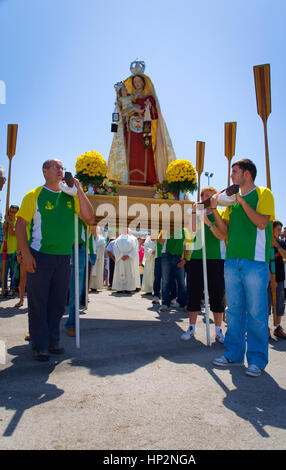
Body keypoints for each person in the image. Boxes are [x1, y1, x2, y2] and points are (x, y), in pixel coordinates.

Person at [15, 159, 94, 361]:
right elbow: (21, 225)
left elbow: (89, 217)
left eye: (62, 167)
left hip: (63, 257)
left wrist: (78, 189)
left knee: (58, 303)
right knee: (38, 302)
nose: (61, 170)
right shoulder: (34, 195)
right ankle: (39, 344)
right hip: (39, 255)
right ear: (45, 171)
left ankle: (52, 339)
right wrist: (25, 254)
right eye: (56, 167)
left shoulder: (70, 196)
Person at [212, 159, 275, 377]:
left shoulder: (264, 193)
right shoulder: (231, 203)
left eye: (234, 172)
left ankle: (257, 360)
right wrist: (214, 213)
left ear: (246, 174)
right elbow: (225, 232)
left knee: (256, 313)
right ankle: (233, 354)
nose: (231, 176)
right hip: (232, 260)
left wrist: (240, 199)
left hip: (255, 261)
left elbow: (262, 223)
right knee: (234, 310)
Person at [107, 63, 176, 186]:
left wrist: (146, 109)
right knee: (130, 153)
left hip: (145, 130)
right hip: (130, 130)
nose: (137, 84)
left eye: (139, 81)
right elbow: (122, 109)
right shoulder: (129, 97)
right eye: (135, 81)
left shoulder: (149, 98)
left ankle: (149, 181)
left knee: (145, 153)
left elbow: (155, 115)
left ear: (144, 83)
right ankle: (127, 180)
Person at [181, 186, 226, 343]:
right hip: (196, 258)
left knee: (217, 294)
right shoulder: (195, 213)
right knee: (193, 293)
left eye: (210, 195)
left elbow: (222, 236)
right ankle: (191, 327)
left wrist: (207, 221)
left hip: (216, 259)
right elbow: (189, 234)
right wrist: (194, 215)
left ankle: (219, 330)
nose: (206, 197)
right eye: (204, 195)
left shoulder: (220, 214)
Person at [268, 220, 286, 339]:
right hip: (267, 279)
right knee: (266, 304)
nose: (279, 232)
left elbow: (285, 255)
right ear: (272, 229)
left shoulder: (281, 242)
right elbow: (265, 262)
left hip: (280, 277)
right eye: (277, 229)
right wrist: (271, 279)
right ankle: (265, 329)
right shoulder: (265, 242)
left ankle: (277, 327)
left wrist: (276, 245)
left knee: (280, 303)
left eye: (280, 230)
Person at [159, 229, 187, 312]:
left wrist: (184, 259)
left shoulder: (185, 230)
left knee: (181, 282)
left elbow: (187, 245)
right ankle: (165, 303)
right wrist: (166, 230)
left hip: (179, 257)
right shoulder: (166, 227)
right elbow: (160, 241)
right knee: (165, 281)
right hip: (166, 256)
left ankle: (183, 303)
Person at [0, 204, 19, 295]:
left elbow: (12, 233)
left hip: (14, 250)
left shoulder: (18, 222)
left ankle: (12, 289)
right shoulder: (5, 222)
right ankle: (4, 288)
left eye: (14, 212)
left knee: (13, 272)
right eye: (11, 211)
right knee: (3, 270)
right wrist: (7, 222)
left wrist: (10, 222)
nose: (12, 214)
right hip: (4, 250)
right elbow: (4, 231)